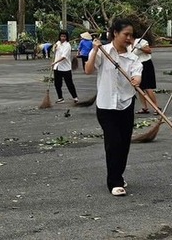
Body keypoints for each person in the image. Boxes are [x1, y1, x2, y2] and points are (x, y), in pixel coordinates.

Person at [84, 19, 143, 197]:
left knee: (124, 143)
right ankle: (114, 182)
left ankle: (118, 173)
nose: (129, 38)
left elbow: (137, 74)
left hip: (126, 104)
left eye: (131, 35)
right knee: (113, 142)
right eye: (126, 34)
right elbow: (88, 70)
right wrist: (94, 50)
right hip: (106, 105)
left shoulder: (133, 58)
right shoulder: (103, 52)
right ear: (115, 33)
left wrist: (136, 80)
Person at [130, 34, 160, 115]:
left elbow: (149, 51)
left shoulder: (140, 41)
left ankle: (156, 107)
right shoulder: (127, 45)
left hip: (146, 64)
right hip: (136, 66)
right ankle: (144, 108)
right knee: (139, 87)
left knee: (148, 87)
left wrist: (140, 47)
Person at [52, 30, 79, 103]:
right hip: (57, 67)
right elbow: (54, 50)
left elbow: (64, 57)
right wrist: (54, 47)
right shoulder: (58, 43)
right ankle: (60, 98)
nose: (63, 38)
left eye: (64, 36)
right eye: (61, 36)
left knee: (69, 83)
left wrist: (55, 62)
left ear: (66, 37)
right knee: (57, 84)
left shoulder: (68, 46)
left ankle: (75, 97)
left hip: (65, 68)